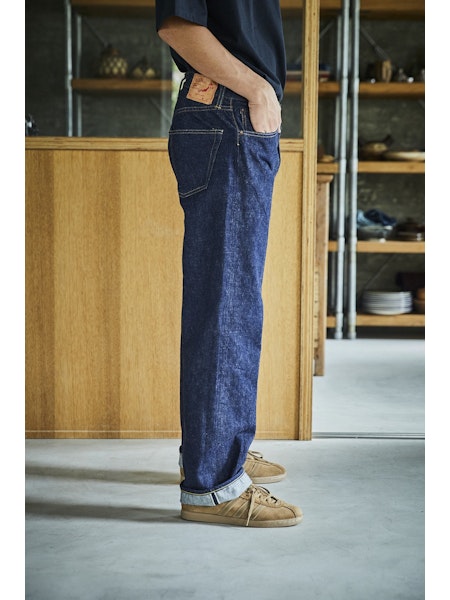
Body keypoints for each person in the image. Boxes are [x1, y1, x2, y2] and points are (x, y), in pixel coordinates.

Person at [156, 0, 302, 527]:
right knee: (228, 305)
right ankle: (214, 484)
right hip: (229, 111)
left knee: (228, 300)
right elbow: (178, 25)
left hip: (229, 112)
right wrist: (257, 90)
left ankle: (215, 449)